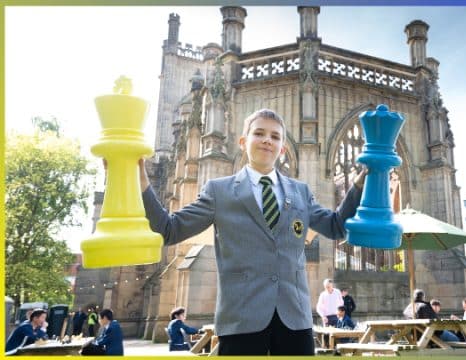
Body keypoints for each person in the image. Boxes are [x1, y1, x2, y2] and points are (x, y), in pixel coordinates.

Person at [138, 109, 365, 355]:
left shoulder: (301, 192)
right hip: (241, 320)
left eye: (276, 137)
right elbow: (169, 229)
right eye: (259, 133)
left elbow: (335, 226)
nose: (268, 140)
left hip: (295, 320)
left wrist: (361, 183)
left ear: (283, 149)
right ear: (243, 142)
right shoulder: (219, 191)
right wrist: (139, 181)